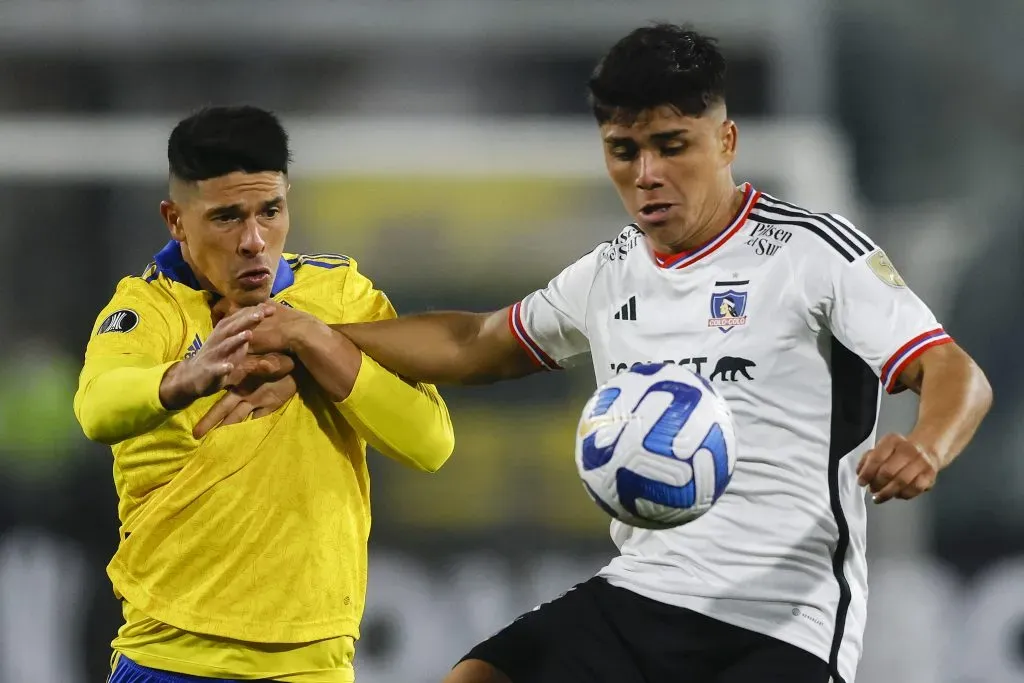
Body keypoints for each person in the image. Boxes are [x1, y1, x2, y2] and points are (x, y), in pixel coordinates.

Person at [201, 25, 992, 683]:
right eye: (623, 150)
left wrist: (926, 443)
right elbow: (480, 341)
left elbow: (954, 371)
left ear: (726, 140)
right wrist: (310, 335)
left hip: (780, 619)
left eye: (671, 145)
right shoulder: (614, 267)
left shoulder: (812, 253)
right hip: (640, 597)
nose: (645, 175)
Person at [73, 105, 455, 683]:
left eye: (269, 211)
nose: (254, 240)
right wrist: (185, 376)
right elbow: (97, 408)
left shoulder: (342, 296)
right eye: (226, 217)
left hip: (315, 662)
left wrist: (312, 340)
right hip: (173, 656)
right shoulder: (147, 310)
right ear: (175, 221)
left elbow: (430, 442)